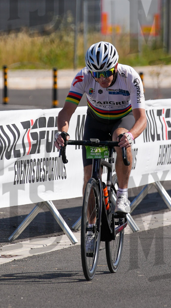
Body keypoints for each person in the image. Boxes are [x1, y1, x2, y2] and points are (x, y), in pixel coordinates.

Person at [55, 42, 146, 234]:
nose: (101, 79)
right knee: (89, 176)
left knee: (120, 137)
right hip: (96, 122)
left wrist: (130, 136)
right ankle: (91, 226)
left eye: (106, 73)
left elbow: (141, 119)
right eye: (96, 74)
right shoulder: (83, 77)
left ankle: (122, 195)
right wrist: (62, 132)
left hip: (122, 119)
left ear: (115, 66)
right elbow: (65, 112)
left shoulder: (130, 76)